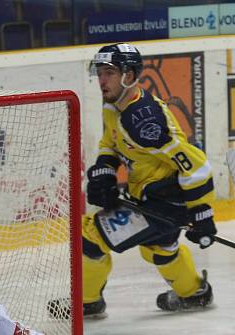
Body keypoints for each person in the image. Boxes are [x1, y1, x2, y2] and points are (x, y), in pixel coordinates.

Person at [81, 43, 215, 318]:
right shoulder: (114, 105)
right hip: (150, 198)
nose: (102, 80)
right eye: (100, 72)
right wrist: (106, 168)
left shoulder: (143, 120)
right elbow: (111, 143)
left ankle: (88, 302)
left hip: (164, 204)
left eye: (109, 73)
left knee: (90, 239)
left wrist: (202, 213)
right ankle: (194, 293)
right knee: (160, 250)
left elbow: (197, 166)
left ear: (129, 76)